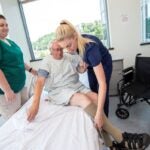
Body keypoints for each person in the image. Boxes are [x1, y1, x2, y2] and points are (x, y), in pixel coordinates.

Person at [27, 40, 150, 150]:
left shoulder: (69, 57)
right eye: (55, 50)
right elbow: (40, 82)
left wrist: (83, 68)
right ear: (50, 50)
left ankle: (111, 146)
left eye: (60, 49)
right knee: (83, 99)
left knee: (96, 98)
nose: (59, 52)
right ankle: (120, 138)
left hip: (75, 85)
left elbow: (79, 70)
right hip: (60, 90)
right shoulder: (47, 61)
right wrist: (35, 104)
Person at [55, 20, 112, 117]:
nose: (68, 50)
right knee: (93, 89)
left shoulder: (90, 49)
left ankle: (104, 116)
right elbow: (81, 70)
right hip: (92, 65)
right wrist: (83, 68)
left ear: (75, 36)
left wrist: (99, 115)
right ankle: (96, 113)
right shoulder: (74, 45)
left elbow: (102, 84)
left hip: (104, 64)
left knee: (101, 89)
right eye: (65, 48)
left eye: (69, 45)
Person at [0, 14, 37, 119]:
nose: (5, 27)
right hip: (8, 92)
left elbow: (19, 61)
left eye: (6, 25)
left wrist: (31, 70)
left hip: (20, 87)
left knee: (26, 115)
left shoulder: (10, 42)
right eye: (1, 25)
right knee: (15, 122)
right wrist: (7, 90)